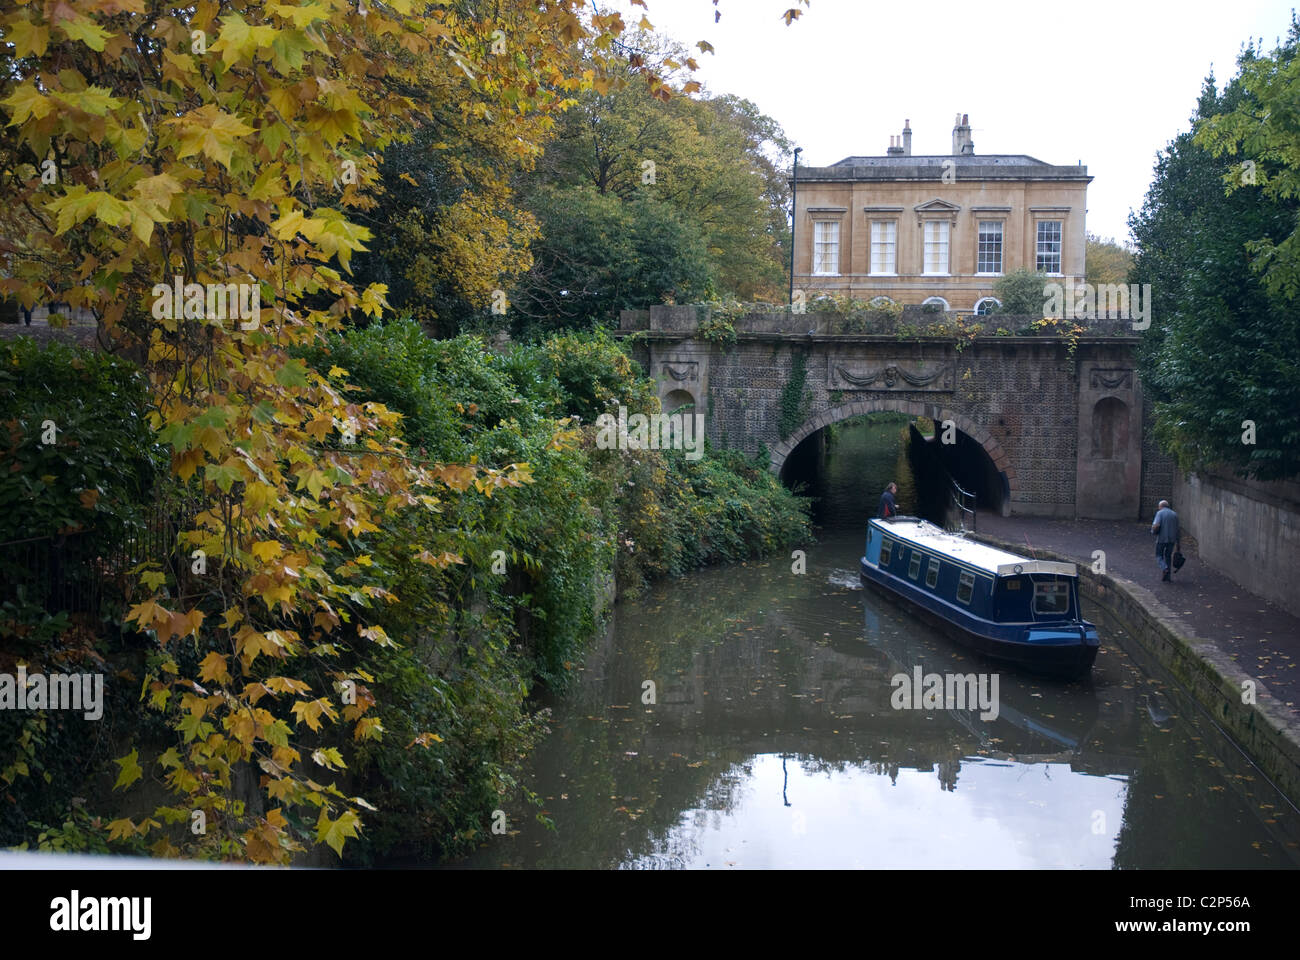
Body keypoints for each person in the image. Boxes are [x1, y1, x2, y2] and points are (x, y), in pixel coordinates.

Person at [1151, 499, 1180, 582]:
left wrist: (1153, 531)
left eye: (1159, 507)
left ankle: (1165, 568)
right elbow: (1178, 530)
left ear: (1161, 506)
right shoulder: (1175, 514)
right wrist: (1178, 543)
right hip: (1172, 540)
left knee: (1159, 555)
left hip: (1161, 539)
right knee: (1168, 556)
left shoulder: (1159, 513)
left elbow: (1156, 525)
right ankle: (1168, 577)